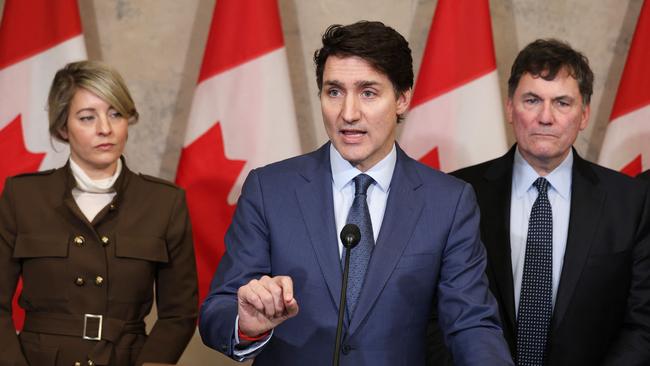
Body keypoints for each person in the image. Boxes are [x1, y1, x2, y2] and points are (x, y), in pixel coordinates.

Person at [199, 21, 512, 365]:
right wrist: (246, 323)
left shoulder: (448, 202)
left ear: (402, 98)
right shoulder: (269, 190)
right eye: (334, 92)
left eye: (368, 92)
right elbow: (217, 310)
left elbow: (470, 322)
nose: (348, 114)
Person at [449, 39, 650, 365]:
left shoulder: (631, 202)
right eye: (532, 100)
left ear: (584, 114)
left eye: (562, 103)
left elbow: (643, 323)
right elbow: (433, 313)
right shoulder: (458, 192)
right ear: (510, 108)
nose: (546, 117)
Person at [0, 61, 198, 366]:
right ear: (63, 127)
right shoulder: (22, 197)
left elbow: (179, 313)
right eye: (87, 117)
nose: (105, 128)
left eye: (115, 114)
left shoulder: (164, 202)